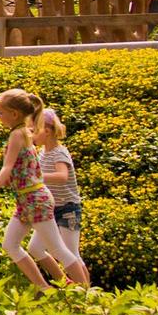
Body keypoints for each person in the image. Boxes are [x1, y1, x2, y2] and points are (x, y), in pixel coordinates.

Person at [0, 87, 88, 292]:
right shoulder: (24, 132)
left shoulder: (18, 134)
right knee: (10, 245)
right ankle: (46, 289)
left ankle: (87, 295)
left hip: (35, 200)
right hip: (25, 200)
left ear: (14, 114)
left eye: (1, 112)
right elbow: (20, 167)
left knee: (59, 249)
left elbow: (8, 166)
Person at [36, 109, 90, 286]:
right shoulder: (41, 152)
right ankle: (65, 283)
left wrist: (38, 176)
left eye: (35, 130)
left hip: (68, 209)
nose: (32, 134)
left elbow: (62, 176)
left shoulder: (59, 153)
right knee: (35, 248)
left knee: (71, 253)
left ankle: (87, 293)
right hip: (49, 209)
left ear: (47, 131)